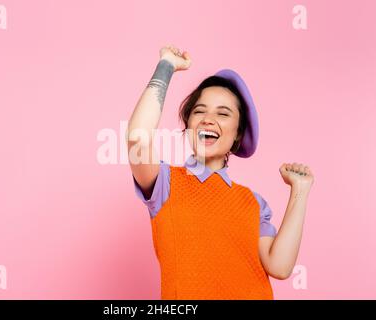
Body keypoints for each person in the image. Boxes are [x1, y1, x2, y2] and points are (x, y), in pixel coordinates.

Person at [125, 44, 314, 300]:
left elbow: (280, 267)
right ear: (188, 124)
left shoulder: (253, 202)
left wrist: (299, 191)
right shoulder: (165, 184)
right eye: (199, 111)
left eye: (223, 113)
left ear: (237, 133)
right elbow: (138, 138)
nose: (207, 119)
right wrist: (166, 66)